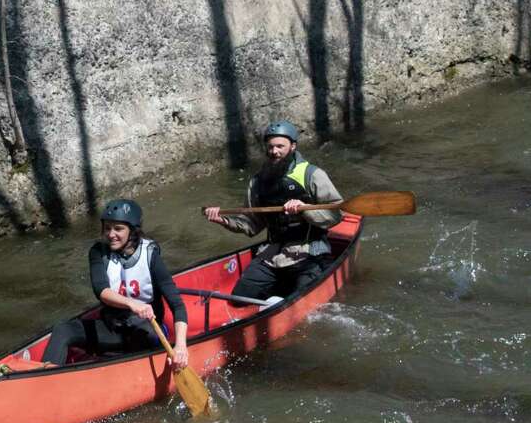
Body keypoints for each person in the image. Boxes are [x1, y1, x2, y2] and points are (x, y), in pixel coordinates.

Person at [203, 120, 342, 302]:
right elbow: (252, 225)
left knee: (302, 299)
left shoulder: (312, 175)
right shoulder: (258, 182)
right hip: (274, 253)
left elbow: (335, 215)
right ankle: (280, 284)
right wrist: (223, 220)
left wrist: (305, 209)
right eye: (270, 147)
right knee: (239, 300)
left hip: (310, 253)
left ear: (293, 146)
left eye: (280, 146)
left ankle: (291, 286)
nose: (274, 152)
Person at [42, 199, 190, 369]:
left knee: (143, 336)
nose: (111, 234)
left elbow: (177, 305)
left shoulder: (150, 255)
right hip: (112, 328)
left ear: (132, 231)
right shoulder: (98, 252)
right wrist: (132, 303)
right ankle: (47, 376)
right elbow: (101, 291)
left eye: (118, 229)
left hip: (145, 330)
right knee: (63, 329)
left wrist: (180, 346)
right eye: (107, 228)